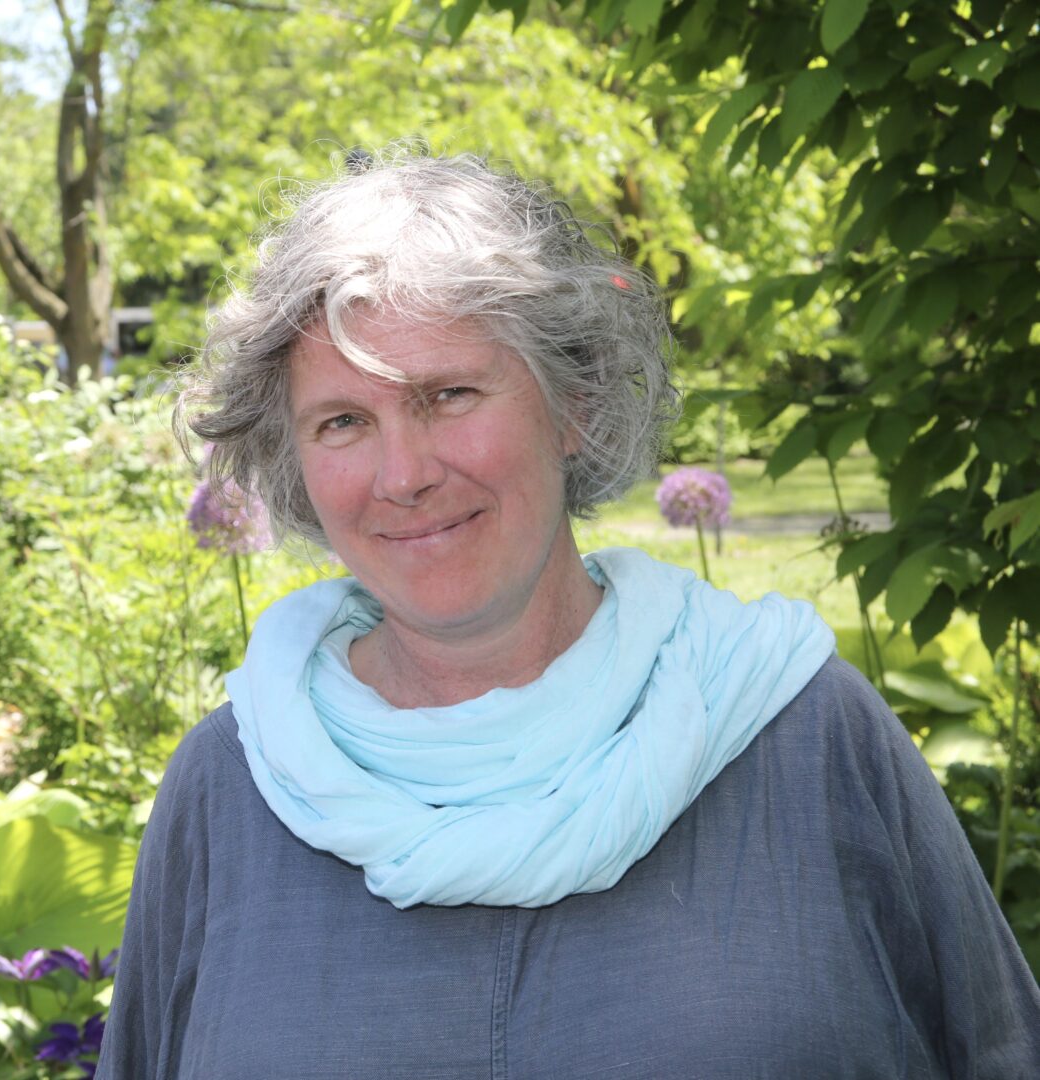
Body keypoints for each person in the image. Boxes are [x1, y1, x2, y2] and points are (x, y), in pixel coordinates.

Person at [94, 151, 1040, 1078]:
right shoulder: (229, 788)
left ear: (571, 403)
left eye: (448, 394)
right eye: (342, 421)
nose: (404, 475)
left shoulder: (807, 735)